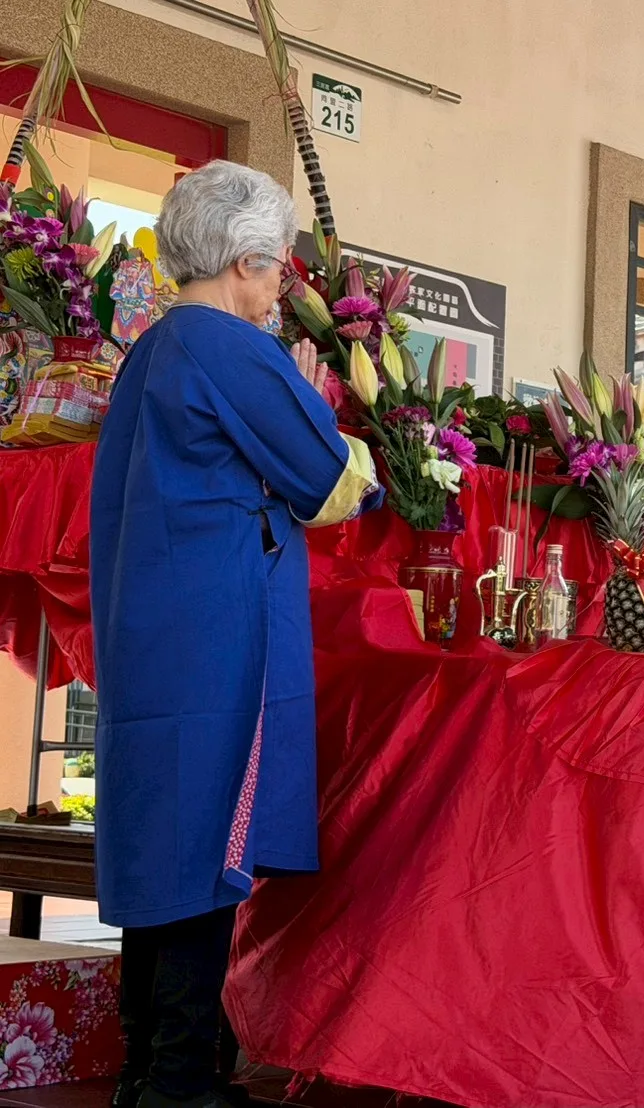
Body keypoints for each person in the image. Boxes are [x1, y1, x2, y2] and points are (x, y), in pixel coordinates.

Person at [90, 161, 382, 1108]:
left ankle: (145, 1068)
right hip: (217, 627)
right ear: (246, 261)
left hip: (151, 626)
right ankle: (181, 1079)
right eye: (280, 267)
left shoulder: (152, 347)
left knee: (160, 842)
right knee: (209, 838)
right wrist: (336, 422)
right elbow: (331, 481)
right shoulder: (229, 344)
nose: (281, 287)